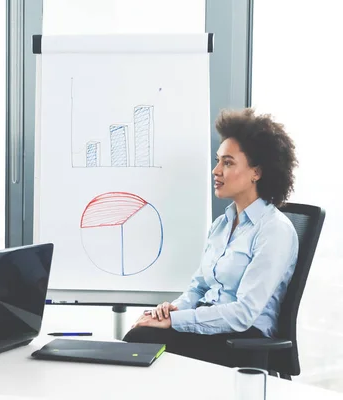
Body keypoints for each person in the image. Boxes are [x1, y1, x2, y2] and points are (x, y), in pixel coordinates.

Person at [123, 108, 300, 367]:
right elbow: (199, 287)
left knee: (141, 339)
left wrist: (175, 322)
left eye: (227, 163)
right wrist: (172, 310)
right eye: (218, 161)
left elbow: (243, 314)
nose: (216, 170)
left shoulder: (274, 230)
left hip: (244, 341)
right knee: (143, 331)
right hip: (212, 327)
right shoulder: (222, 224)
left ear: (257, 173)